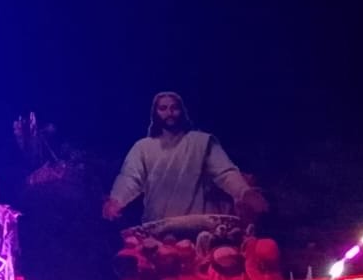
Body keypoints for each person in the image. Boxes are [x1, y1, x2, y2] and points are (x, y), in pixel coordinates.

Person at [103, 92, 267, 223]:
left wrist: (244, 192)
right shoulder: (142, 147)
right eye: (163, 108)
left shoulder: (201, 142)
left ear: (182, 111)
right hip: (158, 227)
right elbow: (130, 177)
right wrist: (116, 200)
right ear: (155, 113)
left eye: (174, 108)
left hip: (201, 226)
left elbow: (224, 172)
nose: (169, 113)